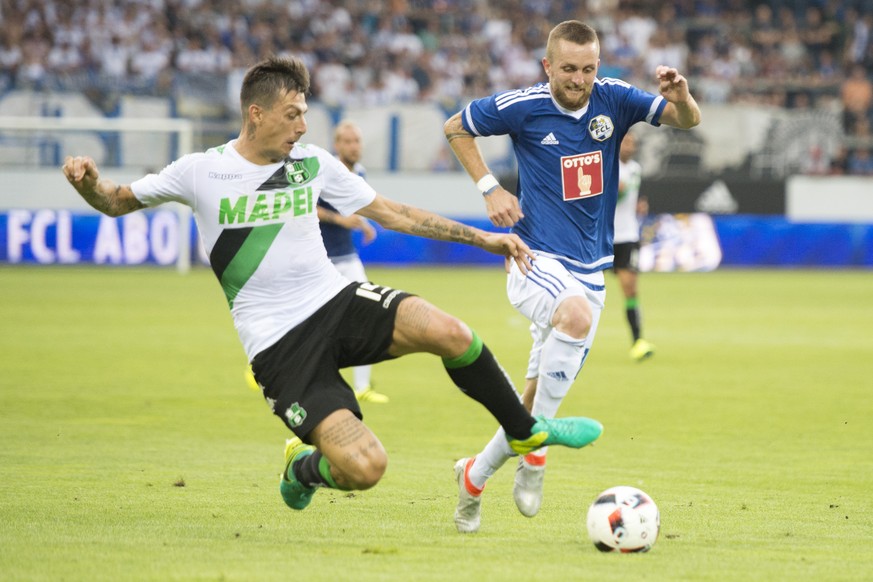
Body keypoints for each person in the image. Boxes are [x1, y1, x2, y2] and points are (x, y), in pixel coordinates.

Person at [62, 55, 604, 513]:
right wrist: (90, 184)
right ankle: (303, 468)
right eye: (292, 114)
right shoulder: (199, 171)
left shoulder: (311, 164)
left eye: (305, 114)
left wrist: (486, 239)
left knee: (451, 331)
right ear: (256, 114)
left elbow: (394, 213)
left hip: (337, 302)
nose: (302, 127)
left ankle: (523, 430)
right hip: (280, 345)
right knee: (365, 468)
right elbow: (116, 201)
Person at [444, 20, 701, 533]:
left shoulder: (615, 98)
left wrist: (683, 96)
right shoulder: (524, 105)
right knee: (575, 316)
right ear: (548, 66)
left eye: (587, 69)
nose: (578, 80)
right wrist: (490, 188)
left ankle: (474, 476)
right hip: (533, 257)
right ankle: (536, 458)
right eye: (568, 69)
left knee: (535, 400)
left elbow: (686, 121)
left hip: (592, 268)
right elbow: (456, 127)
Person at [243, 120, 388, 403]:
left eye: (357, 141)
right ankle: (259, 364)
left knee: (368, 313)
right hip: (318, 260)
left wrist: (364, 224)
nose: (354, 146)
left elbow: (355, 205)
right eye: (348, 142)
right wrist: (340, 219)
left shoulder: (360, 172)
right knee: (298, 319)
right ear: (337, 145)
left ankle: (362, 387)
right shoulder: (320, 169)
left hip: (348, 258)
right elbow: (305, 204)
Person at [613, 132, 655, 361]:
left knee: (630, 288)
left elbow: (632, 197)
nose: (629, 146)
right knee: (585, 288)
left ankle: (638, 341)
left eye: (632, 143)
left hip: (627, 236)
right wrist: (615, 193)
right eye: (625, 141)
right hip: (603, 236)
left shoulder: (636, 169)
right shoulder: (607, 165)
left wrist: (640, 205)